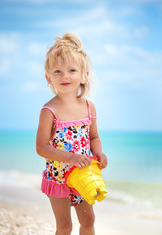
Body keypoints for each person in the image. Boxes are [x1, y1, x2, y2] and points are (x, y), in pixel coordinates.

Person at [36, 33, 108, 235]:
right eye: (57, 71)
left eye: (72, 70)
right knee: (65, 226)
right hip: (58, 177)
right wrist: (71, 157)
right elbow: (41, 147)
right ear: (48, 77)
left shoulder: (89, 107)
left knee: (88, 219)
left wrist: (99, 154)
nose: (65, 76)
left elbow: (94, 137)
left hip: (84, 173)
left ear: (84, 75)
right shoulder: (49, 111)